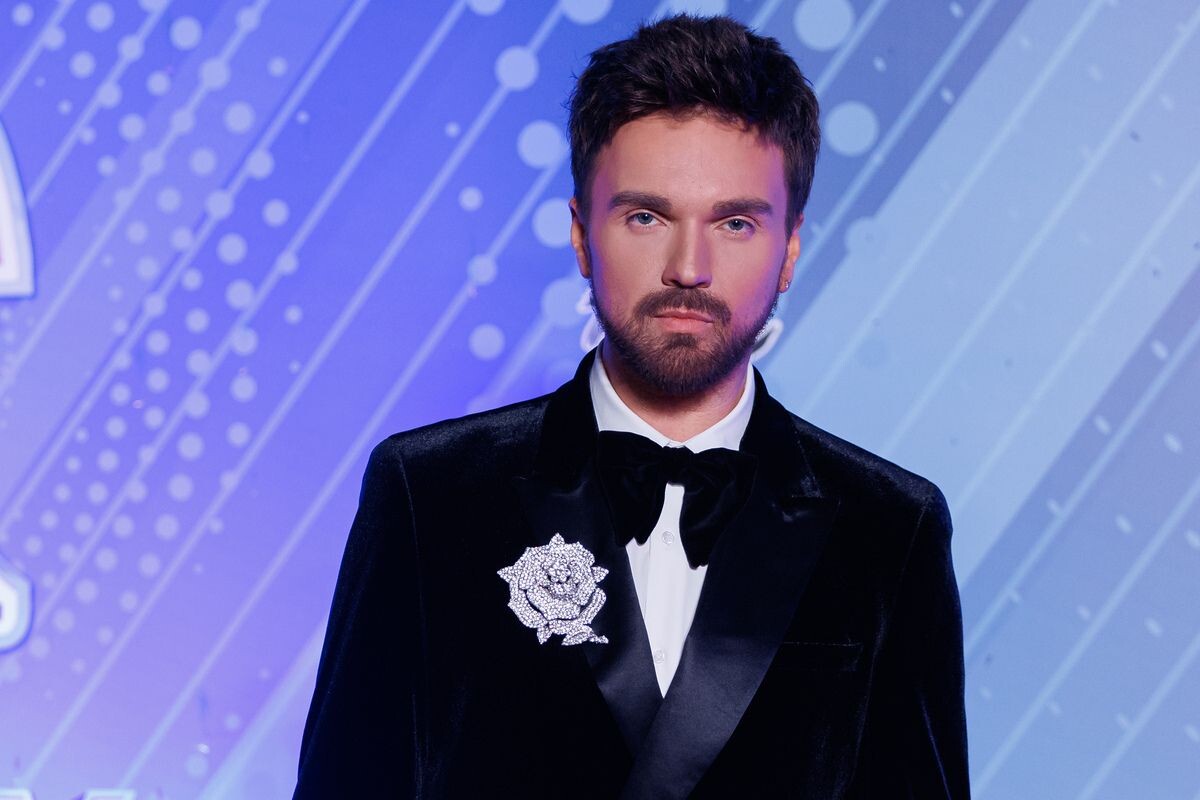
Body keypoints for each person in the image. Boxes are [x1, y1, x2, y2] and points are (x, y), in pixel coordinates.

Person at [294, 14, 969, 799]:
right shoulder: (431, 497)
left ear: (789, 249)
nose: (689, 267)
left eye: (736, 222)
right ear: (582, 235)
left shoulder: (890, 529)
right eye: (646, 216)